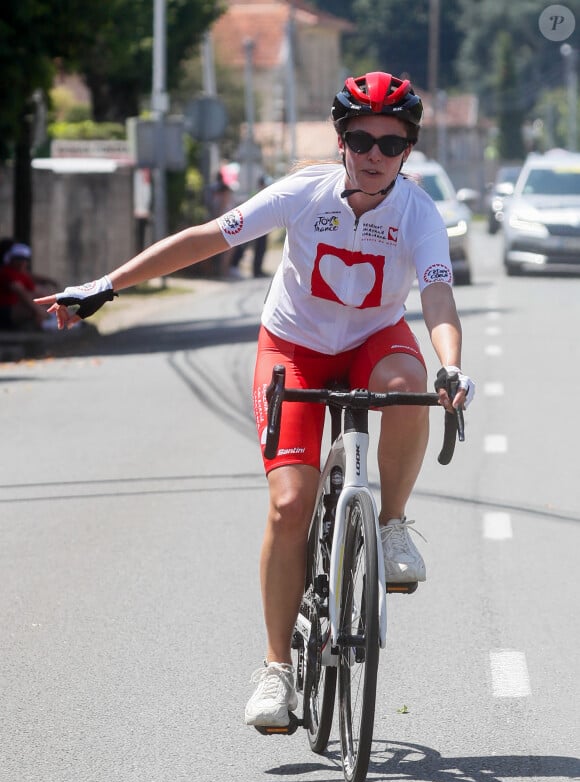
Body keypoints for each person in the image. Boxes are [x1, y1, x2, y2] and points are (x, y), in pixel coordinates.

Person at [35, 71, 474, 729]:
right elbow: (209, 238)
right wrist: (107, 284)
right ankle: (275, 672)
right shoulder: (305, 192)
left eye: (391, 141)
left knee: (410, 389)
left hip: (375, 340)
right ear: (341, 140)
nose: (375, 154)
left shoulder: (417, 213)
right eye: (361, 139)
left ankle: (392, 523)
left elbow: (437, 293)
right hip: (293, 345)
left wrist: (452, 365)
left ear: (408, 148)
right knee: (290, 503)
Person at [0, 242, 53, 331]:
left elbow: (35, 289)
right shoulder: (7, 272)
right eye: (19, 259)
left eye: (25, 259)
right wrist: (39, 310)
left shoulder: (20, 273)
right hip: (4, 311)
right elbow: (21, 292)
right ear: (11, 259)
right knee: (34, 308)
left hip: (12, 309)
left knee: (43, 297)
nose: (22, 262)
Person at [229, 175, 271, 278]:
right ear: (260, 184)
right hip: (253, 226)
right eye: (264, 184)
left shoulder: (268, 194)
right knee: (243, 246)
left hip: (263, 226)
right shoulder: (257, 194)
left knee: (261, 249)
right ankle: (234, 266)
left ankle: (257, 271)